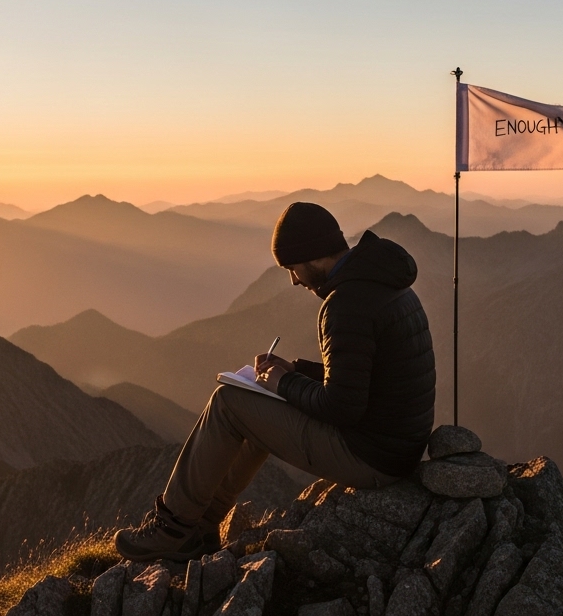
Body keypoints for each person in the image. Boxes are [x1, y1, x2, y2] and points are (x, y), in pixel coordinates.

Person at [114, 202, 436, 561]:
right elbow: (366, 375)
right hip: (395, 446)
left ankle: (173, 529)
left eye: (292, 268)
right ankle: (202, 527)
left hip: (371, 457)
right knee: (258, 403)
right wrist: (294, 371)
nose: (294, 279)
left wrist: (283, 384)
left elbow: (342, 407)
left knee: (228, 402)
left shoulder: (346, 303)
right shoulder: (383, 282)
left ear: (311, 256)